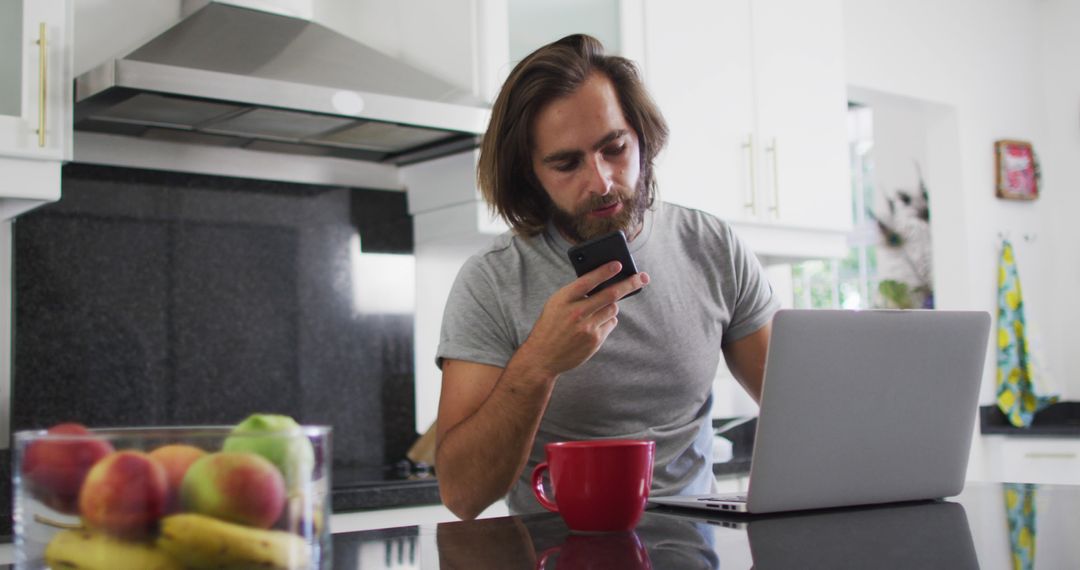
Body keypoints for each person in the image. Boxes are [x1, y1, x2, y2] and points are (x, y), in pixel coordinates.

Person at [434, 34, 779, 520]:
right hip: (555, 552)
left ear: (641, 136)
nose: (600, 181)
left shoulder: (713, 246)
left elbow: (802, 414)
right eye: (566, 163)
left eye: (614, 148)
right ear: (529, 173)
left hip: (695, 546)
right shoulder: (491, 281)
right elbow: (462, 495)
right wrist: (539, 364)